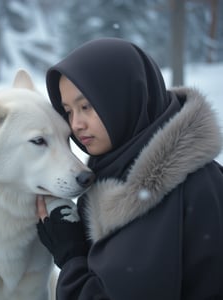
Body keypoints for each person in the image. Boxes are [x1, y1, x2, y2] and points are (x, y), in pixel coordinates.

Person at [36, 38, 223, 299]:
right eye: (68, 111)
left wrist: (72, 257)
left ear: (124, 98)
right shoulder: (114, 173)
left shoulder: (186, 188)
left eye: (86, 106)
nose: (76, 124)